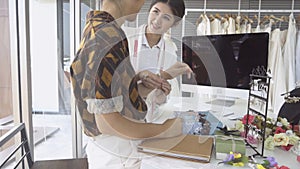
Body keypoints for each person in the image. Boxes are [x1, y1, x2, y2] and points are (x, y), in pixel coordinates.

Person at [70, 0, 183, 169]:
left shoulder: (96, 27)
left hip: (115, 147)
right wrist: (164, 130)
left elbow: (114, 97)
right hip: (118, 152)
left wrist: (144, 87)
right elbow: (108, 123)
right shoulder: (108, 37)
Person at [123, 0, 192, 100]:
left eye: (166, 17)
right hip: (121, 110)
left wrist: (163, 95)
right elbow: (117, 86)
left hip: (151, 112)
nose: (157, 21)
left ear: (175, 24)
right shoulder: (125, 36)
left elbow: (165, 97)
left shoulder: (170, 49)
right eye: (156, 12)